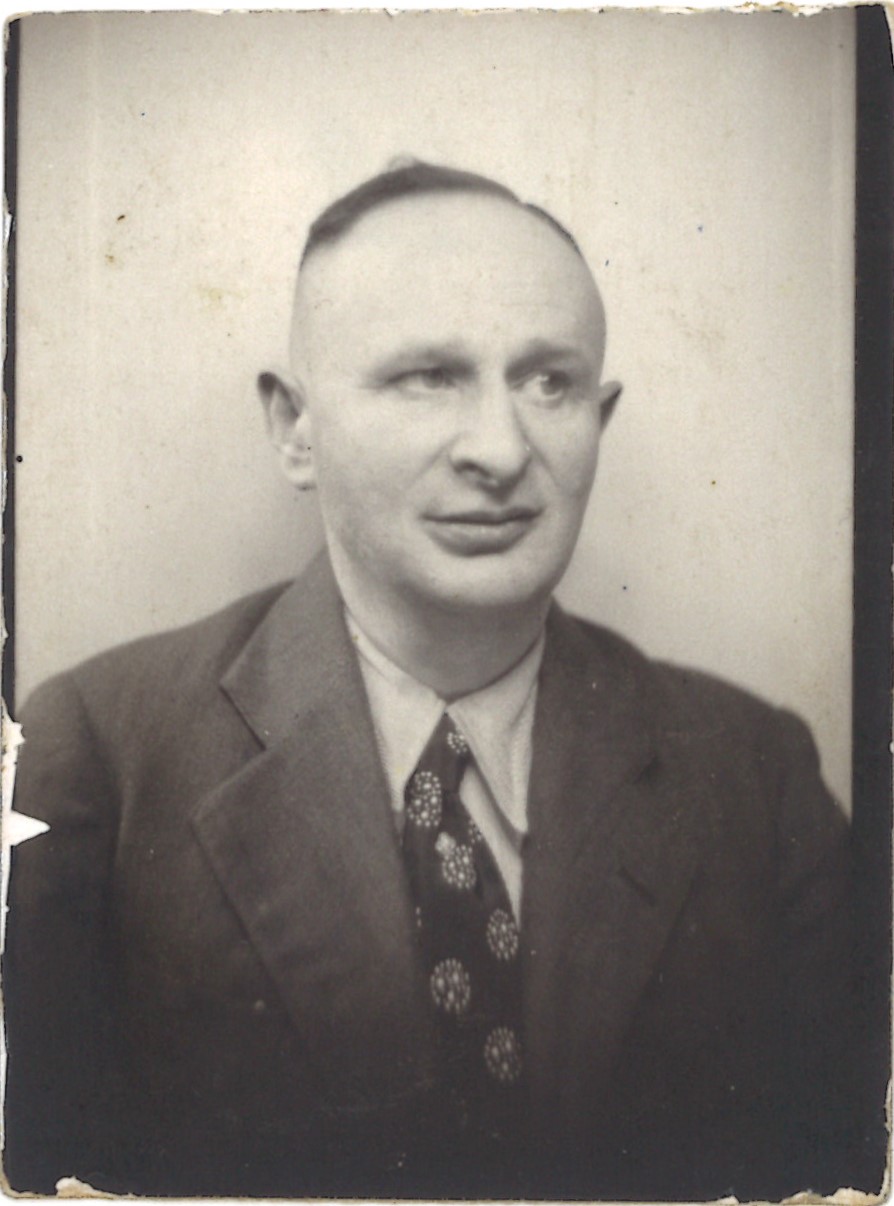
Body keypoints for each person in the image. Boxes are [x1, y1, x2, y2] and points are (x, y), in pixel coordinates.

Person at [4, 161, 854, 1200]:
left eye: (550, 382)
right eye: (427, 377)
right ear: (295, 428)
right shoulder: (96, 754)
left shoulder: (756, 774)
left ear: (601, 417)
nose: (500, 450)